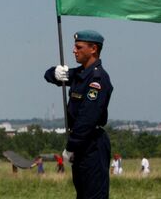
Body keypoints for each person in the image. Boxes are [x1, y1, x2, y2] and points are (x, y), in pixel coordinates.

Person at [44, 30, 113, 198]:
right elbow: (49, 76)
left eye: (79, 47)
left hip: (91, 144)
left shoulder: (97, 79)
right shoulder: (81, 74)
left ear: (93, 49)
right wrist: (54, 72)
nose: (74, 50)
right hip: (82, 144)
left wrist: (71, 146)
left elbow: (87, 118)